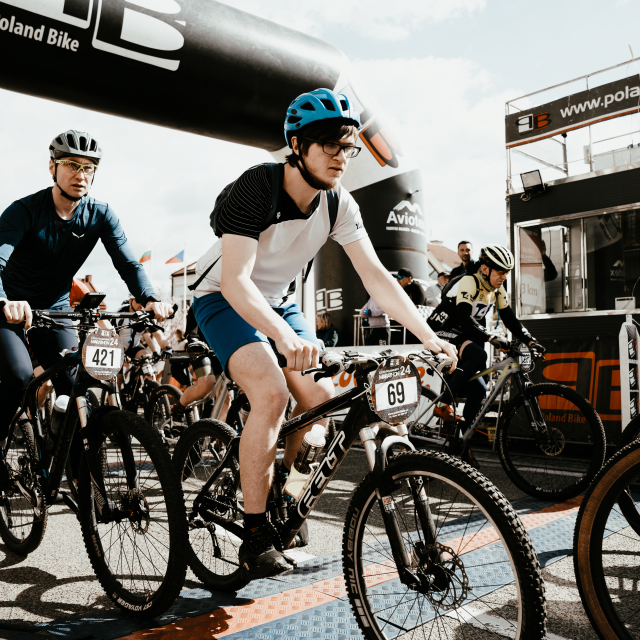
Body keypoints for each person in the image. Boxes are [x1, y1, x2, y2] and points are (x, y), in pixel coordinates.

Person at [191, 88, 457, 580]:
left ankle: (285, 494)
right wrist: (283, 338)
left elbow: (375, 276)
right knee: (271, 393)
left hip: (279, 302)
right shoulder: (258, 186)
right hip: (224, 298)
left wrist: (428, 335)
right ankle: (255, 533)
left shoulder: (339, 204)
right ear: (298, 145)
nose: (341, 157)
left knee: (320, 399)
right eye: (330, 145)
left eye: (348, 147)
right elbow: (236, 281)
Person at [0, 130, 172, 489]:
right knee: (18, 376)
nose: (81, 174)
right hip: (10, 306)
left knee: (77, 383)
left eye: (88, 167)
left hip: (56, 308)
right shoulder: (24, 211)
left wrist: (150, 297)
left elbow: (128, 263)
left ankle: (82, 482)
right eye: (71, 165)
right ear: (52, 167)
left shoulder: (100, 214)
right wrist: (5, 301)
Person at [429, 245, 543, 468]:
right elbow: (463, 317)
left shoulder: (497, 290)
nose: (504, 277)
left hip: (461, 334)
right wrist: (491, 337)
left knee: (479, 390)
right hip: (440, 330)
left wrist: (531, 340)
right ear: (484, 269)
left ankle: (463, 445)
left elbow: (509, 318)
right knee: (478, 354)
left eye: (506, 272)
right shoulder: (469, 282)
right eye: (500, 271)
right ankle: (442, 404)